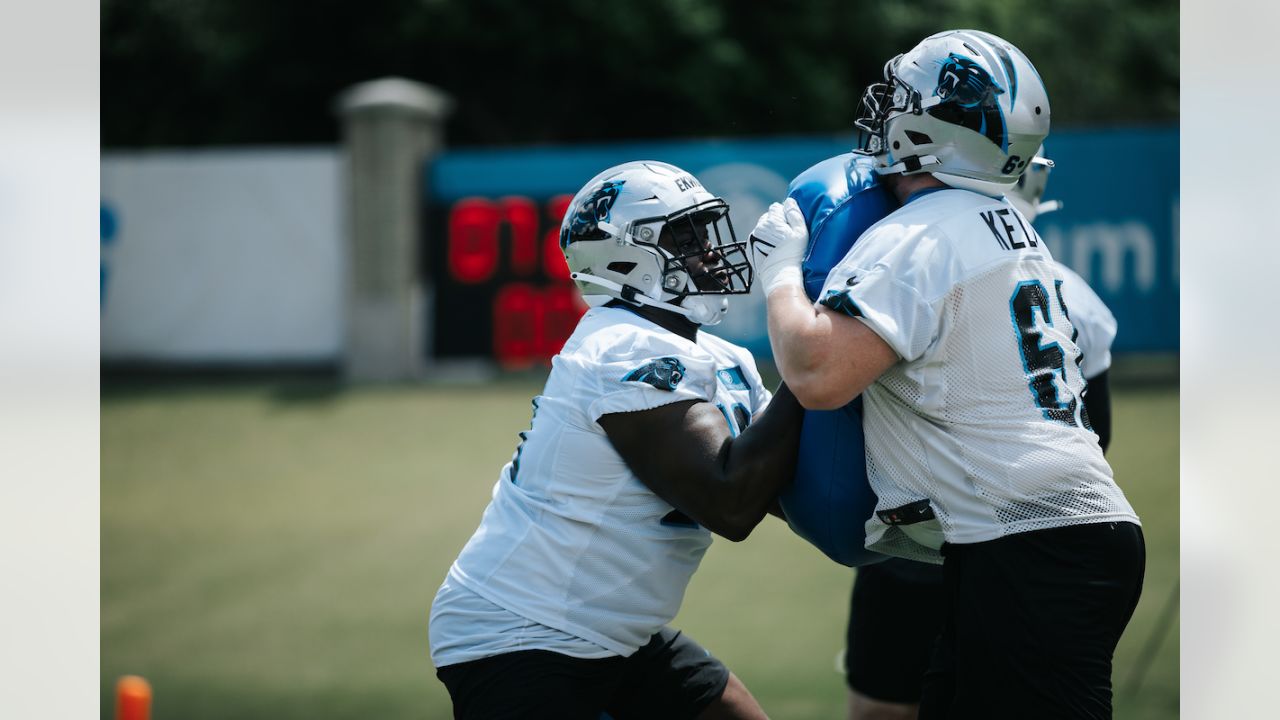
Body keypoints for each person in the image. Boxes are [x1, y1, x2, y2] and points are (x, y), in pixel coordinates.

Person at [749, 30, 1144, 718]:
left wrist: (780, 272)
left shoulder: (926, 231)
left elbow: (819, 374)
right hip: (1033, 541)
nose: (885, 111)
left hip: (1032, 549)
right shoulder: (1000, 223)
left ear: (942, 125)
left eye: (904, 99)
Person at [429, 160, 804, 720]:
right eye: (686, 235)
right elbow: (730, 502)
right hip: (519, 633)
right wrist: (812, 368)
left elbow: (782, 482)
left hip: (611, 630)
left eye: (705, 230)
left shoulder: (724, 359)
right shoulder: (620, 348)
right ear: (625, 257)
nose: (708, 248)